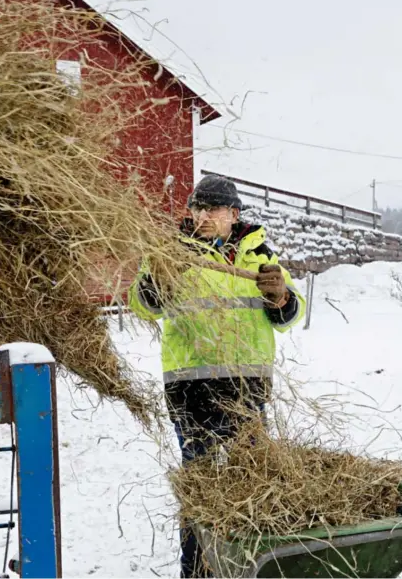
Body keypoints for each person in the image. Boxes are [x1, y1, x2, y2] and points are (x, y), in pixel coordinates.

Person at [128, 174, 305, 577]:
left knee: (251, 479)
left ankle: (247, 566)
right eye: (196, 209)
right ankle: (198, 571)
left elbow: (288, 317)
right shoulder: (169, 252)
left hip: (247, 386)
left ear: (233, 214)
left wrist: (281, 296)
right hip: (190, 386)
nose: (202, 216)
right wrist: (155, 276)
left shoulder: (260, 256)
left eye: (212, 209)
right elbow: (143, 305)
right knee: (201, 484)